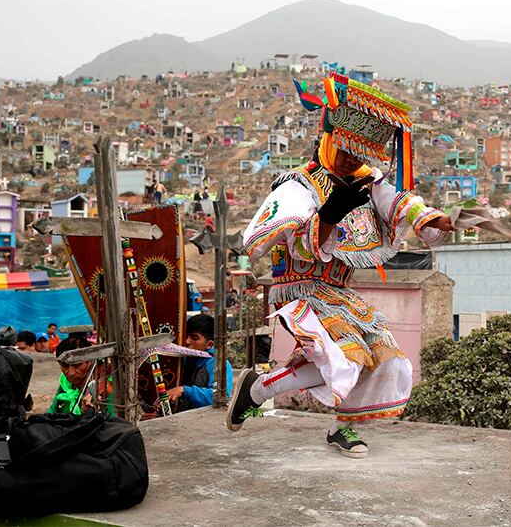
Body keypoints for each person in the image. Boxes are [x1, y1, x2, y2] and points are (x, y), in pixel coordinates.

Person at [227, 72, 454, 458]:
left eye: (358, 155)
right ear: (328, 140)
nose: (351, 160)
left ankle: (334, 423)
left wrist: (435, 220)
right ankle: (257, 391)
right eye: (345, 151)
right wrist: (330, 212)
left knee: (383, 355)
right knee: (344, 356)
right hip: (301, 287)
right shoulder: (299, 185)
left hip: (338, 291)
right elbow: (296, 243)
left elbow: (398, 202)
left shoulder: (367, 182)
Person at [167, 314, 232, 411]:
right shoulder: (184, 360)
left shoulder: (218, 363)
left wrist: (184, 390)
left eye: (194, 338)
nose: (187, 341)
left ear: (209, 344)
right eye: (186, 336)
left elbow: (220, 396)